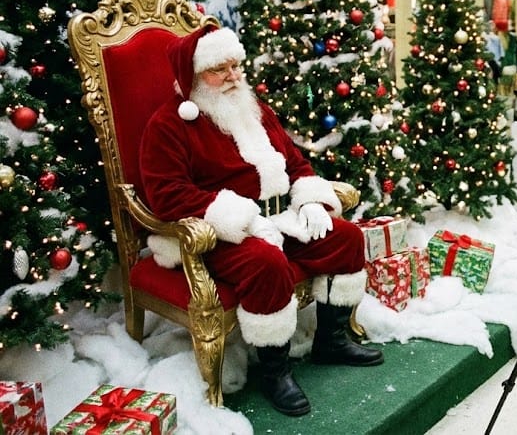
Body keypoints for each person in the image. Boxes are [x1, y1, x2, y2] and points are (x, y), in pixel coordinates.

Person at [138, 26, 384, 417]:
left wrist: (309, 200)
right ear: (193, 77)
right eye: (219, 70)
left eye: (236, 65)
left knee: (347, 237)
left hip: (279, 218)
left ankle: (331, 341)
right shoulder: (170, 125)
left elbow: (295, 161)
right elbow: (166, 194)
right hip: (219, 233)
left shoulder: (255, 110)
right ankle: (274, 371)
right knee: (267, 263)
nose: (234, 76)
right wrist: (245, 218)